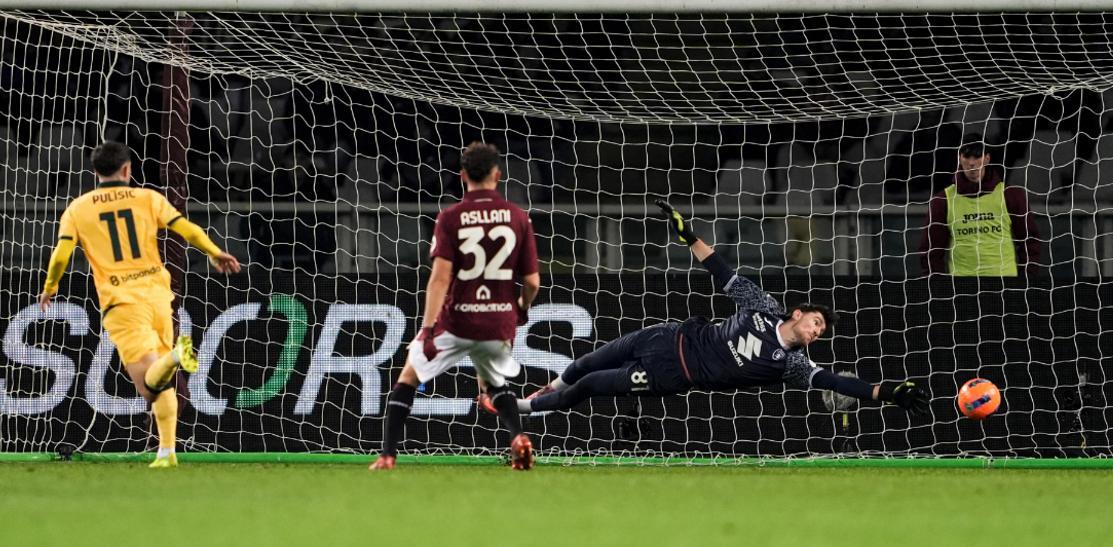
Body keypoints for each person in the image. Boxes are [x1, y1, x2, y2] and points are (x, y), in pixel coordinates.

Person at [508, 200, 930, 417]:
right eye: (816, 322)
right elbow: (721, 271)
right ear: (797, 314)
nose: (817, 332)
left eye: (821, 331)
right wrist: (688, 234)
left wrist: (887, 393)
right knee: (581, 365)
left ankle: (521, 408)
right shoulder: (762, 304)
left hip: (669, 374)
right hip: (666, 335)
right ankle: (537, 396)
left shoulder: (793, 366)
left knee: (589, 386)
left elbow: (842, 384)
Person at [38, 141, 241, 468]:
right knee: (162, 378)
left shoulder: (79, 208)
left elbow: (61, 254)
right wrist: (214, 251)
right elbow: (185, 229)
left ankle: (177, 357)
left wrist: (50, 287)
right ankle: (167, 452)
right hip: (159, 295)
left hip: (122, 302)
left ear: (95, 172)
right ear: (127, 169)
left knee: (149, 387)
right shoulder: (148, 198)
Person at [370, 142, 541, 471]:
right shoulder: (519, 218)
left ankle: (388, 455)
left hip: (458, 320)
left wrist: (427, 329)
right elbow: (533, 282)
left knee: (407, 378)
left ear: (462, 176)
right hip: (498, 321)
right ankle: (518, 437)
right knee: (495, 384)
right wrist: (521, 307)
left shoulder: (451, 217)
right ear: (497, 174)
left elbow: (439, 280)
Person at [919, 135, 1041, 277]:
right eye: (967, 157)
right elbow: (931, 250)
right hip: (962, 288)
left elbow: (1030, 240)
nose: (972, 163)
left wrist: (1027, 279)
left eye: (977, 157)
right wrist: (938, 288)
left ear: (987, 158)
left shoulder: (1011, 195)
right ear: (959, 158)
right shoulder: (942, 200)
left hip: (1006, 285)